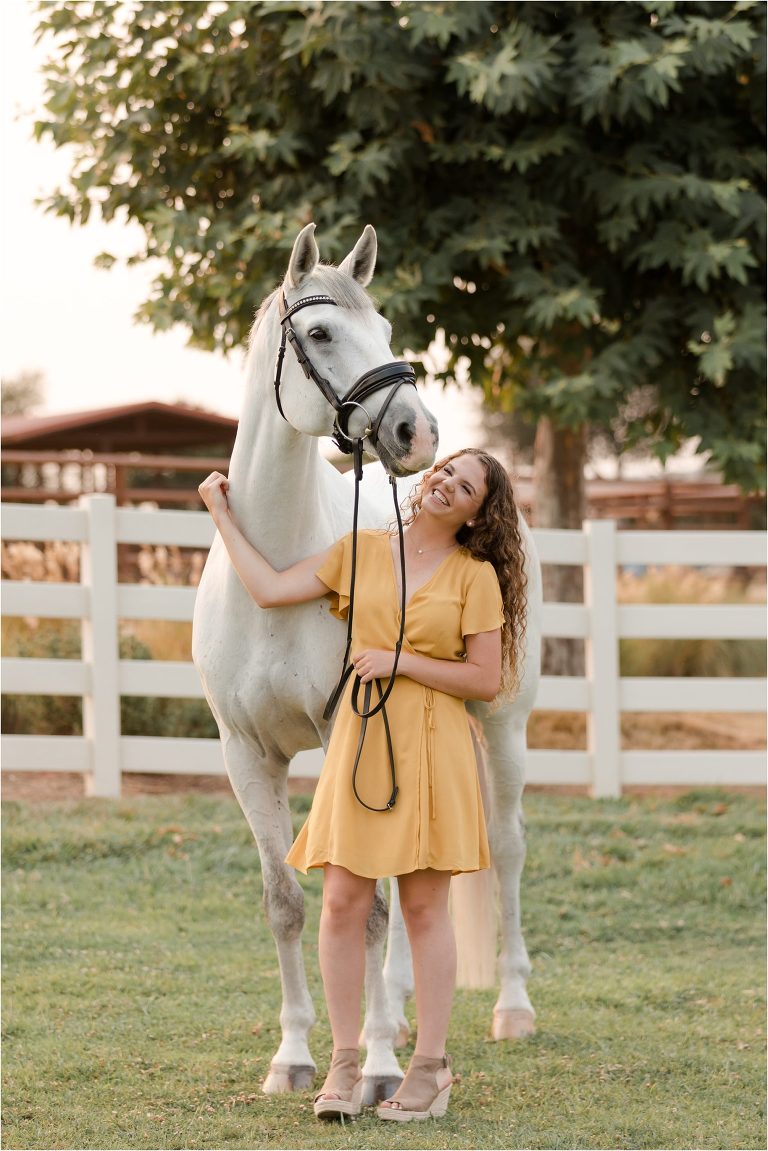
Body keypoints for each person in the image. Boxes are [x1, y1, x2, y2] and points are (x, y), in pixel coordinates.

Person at [198, 448, 527, 1123]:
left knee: (424, 908)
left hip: (433, 745)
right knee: (342, 900)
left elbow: (486, 680)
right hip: (360, 743)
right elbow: (267, 587)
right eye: (445, 472)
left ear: (476, 514)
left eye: (462, 486)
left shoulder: (475, 579)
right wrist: (220, 514)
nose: (443, 483)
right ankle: (345, 1061)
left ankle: (430, 1068)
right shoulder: (359, 550)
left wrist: (403, 661)